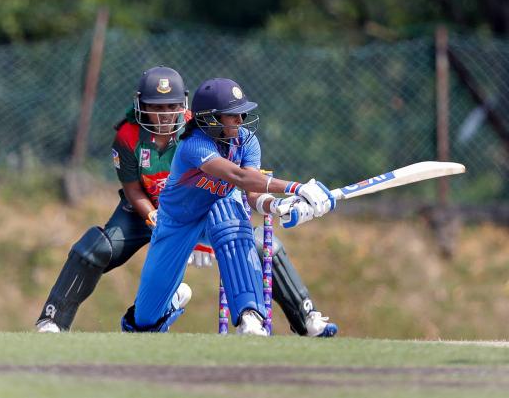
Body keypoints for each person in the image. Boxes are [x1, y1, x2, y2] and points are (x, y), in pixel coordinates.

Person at [36, 67, 337, 337]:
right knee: (98, 250)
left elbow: (244, 186)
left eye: (172, 106)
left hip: (209, 210)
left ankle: (299, 316)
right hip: (154, 214)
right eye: (156, 107)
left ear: (184, 105)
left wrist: (273, 205)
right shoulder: (138, 137)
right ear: (141, 105)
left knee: (256, 240)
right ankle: (53, 320)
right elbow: (132, 189)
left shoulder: (220, 131)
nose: (165, 114)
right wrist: (154, 218)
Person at [121, 77, 336, 336]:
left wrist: (279, 206)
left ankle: (250, 316)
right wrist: (298, 187)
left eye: (242, 113)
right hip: (177, 222)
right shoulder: (194, 145)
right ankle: (171, 299)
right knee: (144, 320)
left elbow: (253, 194)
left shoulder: (246, 142)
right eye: (232, 115)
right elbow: (240, 177)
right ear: (211, 119)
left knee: (229, 214)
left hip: (221, 211)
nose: (240, 119)